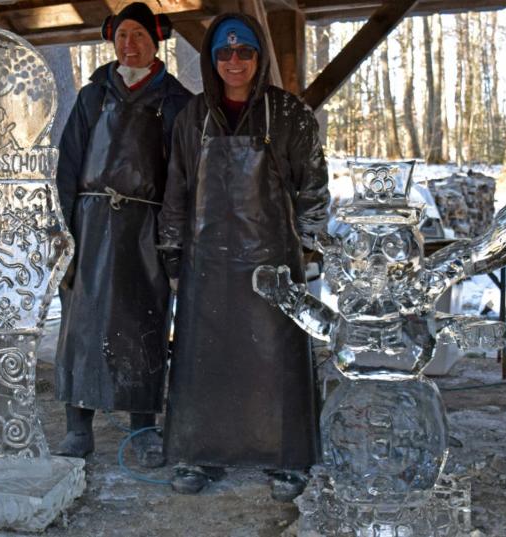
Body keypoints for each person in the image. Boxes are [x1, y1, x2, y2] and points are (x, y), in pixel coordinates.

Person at [158, 13, 329, 499]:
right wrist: (172, 251)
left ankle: (287, 458)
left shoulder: (288, 114)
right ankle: (201, 453)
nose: (235, 62)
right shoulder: (193, 117)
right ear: (213, 60)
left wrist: (309, 246)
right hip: (206, 262)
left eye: (245, 53)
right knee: (203, 359)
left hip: (272, 262)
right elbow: (178, 189)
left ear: (259, 58)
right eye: (225, 54)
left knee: (277, 361)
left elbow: (313, 186)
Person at [54, 2, 191, 467]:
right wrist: (64, 233)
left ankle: (145, 428)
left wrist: (174, 238)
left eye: (139, 36)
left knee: (144, 324)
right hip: (90, 224)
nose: (129, 45)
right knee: (81, 323)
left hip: (146, 229)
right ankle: (78, 429)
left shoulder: (176, 102)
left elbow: (182, 174)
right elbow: (68, 164)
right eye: (122, 36)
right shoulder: (93, 96)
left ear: (156, 42)